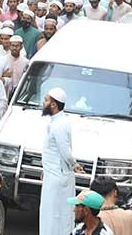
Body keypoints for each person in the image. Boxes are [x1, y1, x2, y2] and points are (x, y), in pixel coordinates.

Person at [39, 87, 81, 235]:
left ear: (53, 104)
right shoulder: (56, 122)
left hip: (58, 176)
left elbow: (65, 152)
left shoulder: (59, 125)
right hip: (53, 174)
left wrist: (74, 164)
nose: (43, 103)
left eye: (46, 100)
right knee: (50, 212)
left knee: (55, 214)